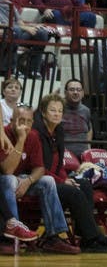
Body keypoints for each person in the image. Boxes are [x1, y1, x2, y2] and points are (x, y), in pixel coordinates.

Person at [32, 93, 107, 252]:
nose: (57, 114)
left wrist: (65, 178)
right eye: (52, 110)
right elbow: (38, 167)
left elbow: (58, 165)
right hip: (39, 181)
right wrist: (62, 181)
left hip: (54, 179)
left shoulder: (58, 131)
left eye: (60, 111)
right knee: (73, 191)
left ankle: (85, 238)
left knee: (84, 184)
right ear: (43, 112)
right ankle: (95, 237)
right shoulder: (36, 134)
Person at [0, 104, 80, 253]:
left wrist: (28, 181)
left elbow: (40, 168)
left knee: (48, 181)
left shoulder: (34, 135)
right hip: (5, 180)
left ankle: (53, 237)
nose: (24, 125)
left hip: (22, 180)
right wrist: (21, 140)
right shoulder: (3, 135)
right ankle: (12, 236)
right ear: (11, 120)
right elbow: (7, 170)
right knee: (9, 179)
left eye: (28, 121)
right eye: (20, 120)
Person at [61, 79, 93, 158]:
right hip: (64, 157)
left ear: (82, 93)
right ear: (65, 93)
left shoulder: (86, 110)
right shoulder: (58, 109)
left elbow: (89, 130)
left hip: (83, 157)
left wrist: (88, 147)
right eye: (72, 90)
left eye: (78, 90)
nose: (75, 92)